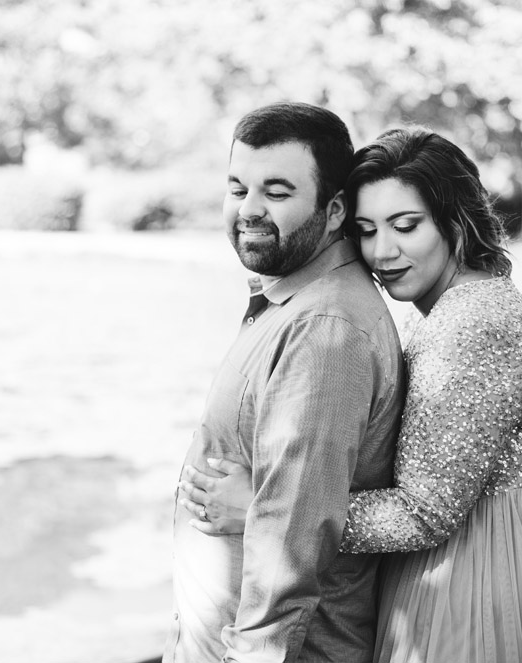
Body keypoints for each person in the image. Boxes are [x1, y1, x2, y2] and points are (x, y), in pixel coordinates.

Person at [178, 127, 522, 663]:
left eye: (405, 226)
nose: (383, 252)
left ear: (456, 221)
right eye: (366, 230)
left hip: (479, 586)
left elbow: (424, 513)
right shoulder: (460, 306)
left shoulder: (471, 326)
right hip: (482, 565)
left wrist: (262, 509)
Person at [163, 103, 406, 663]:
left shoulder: (325, 332)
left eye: (276, 192)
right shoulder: (291, 304)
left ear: (335, 209)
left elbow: (287, 556)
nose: (249, 209)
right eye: (237, 187)